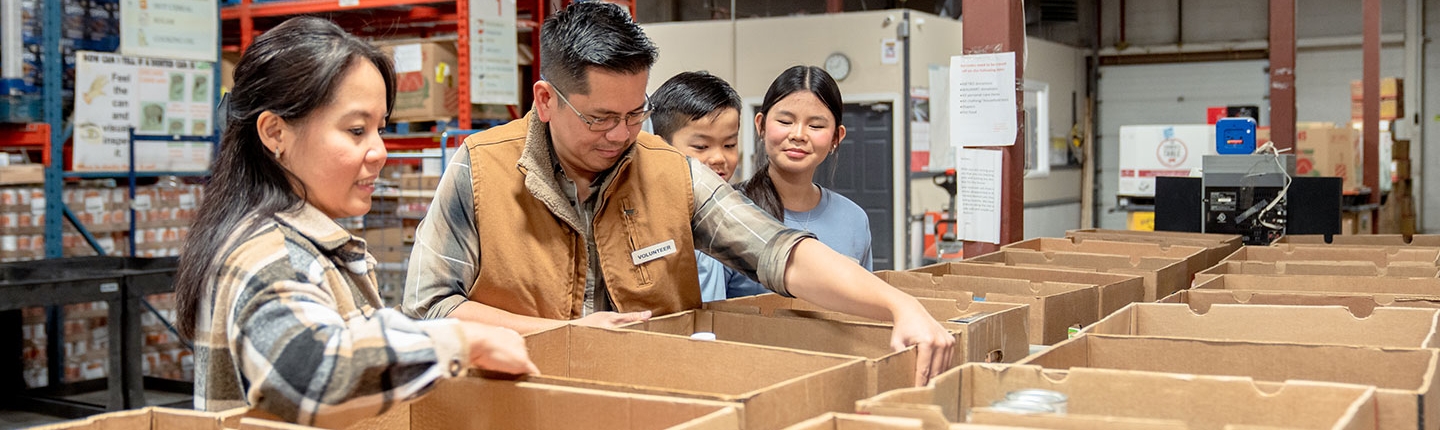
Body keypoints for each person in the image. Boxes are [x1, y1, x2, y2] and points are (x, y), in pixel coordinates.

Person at [402, 1, 952, 385]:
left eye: (635, 112)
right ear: (546, 100)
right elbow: (429, 308)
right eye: (600, 118)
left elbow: (777, 251)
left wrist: (898, 304)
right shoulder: (480, 170)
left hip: (659, 401)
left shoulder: (669, 171)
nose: (621, 134)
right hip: (521, 402)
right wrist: (564, 334)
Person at [172, 17, 537, 428]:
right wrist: (460, 341)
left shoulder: (304, 245)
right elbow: (313, 374)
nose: (379, 151)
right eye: (356, 130)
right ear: (275, 133)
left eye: (379, 129)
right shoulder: (270, 254)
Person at [728, 65, 873, 298]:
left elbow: (863, 306)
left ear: (837, 137)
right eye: (785, 121)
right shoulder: (729, 212)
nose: (798, 134)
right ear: (761, 125)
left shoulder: (854, 220)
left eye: (815, 126)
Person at [648, 71, 749, 302]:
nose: (718, 158)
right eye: (702, 146)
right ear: (661, 147)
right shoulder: (646, 215)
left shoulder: (730, 214)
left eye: (729, 144)